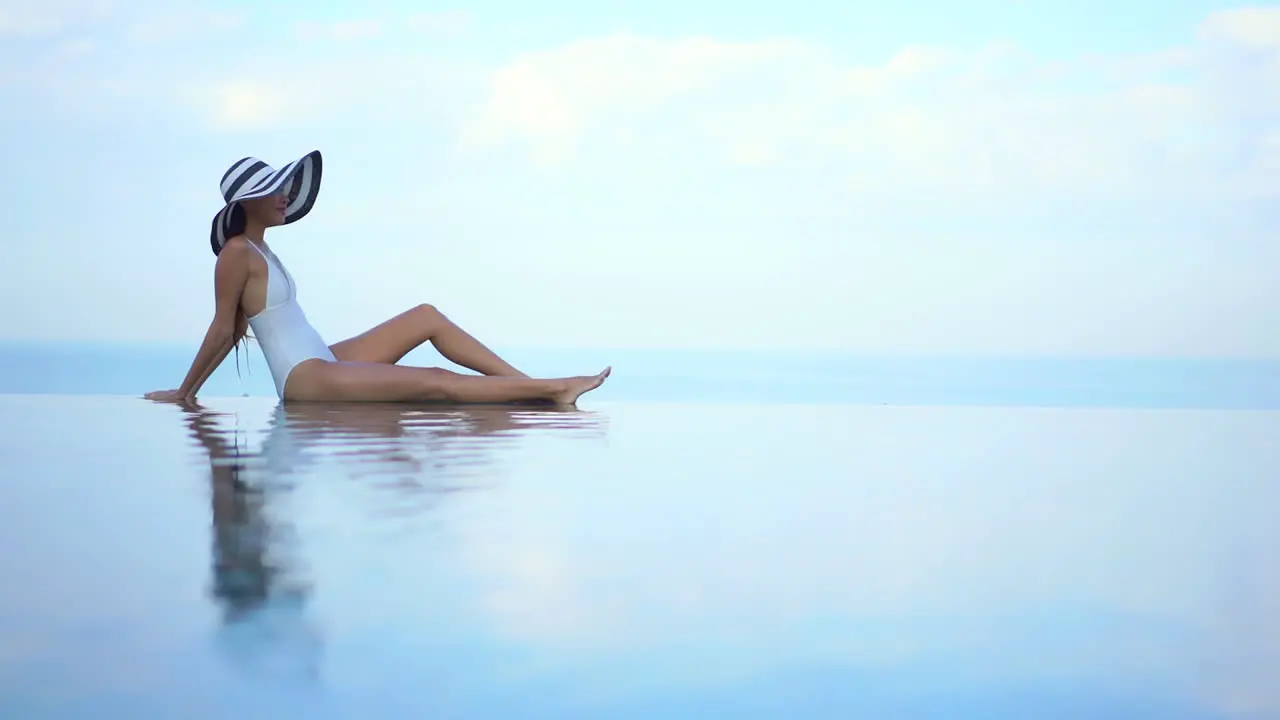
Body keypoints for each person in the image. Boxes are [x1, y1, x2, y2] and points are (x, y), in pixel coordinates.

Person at [145, 150, 610, 406]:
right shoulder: (235, 253)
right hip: (305, 379)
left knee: (425, 316)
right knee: (434, 379)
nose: (285, 195)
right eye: (275, 190)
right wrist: (186, 393)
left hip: (321, 358)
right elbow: (224, 329)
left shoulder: (262, 249)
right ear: (248, 203)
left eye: (285, 186)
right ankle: (554, 388)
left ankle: (525, 387)